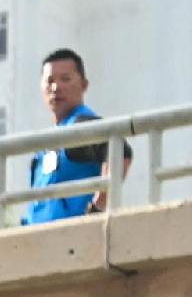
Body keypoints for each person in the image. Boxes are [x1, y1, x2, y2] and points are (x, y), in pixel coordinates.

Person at [21, 48, 130, 224]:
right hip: (37, 238)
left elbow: (120, 152)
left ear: (84, 84)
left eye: (65, 79)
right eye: (50, 81)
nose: (56, 87)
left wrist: (98, 208)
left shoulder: (81, 126)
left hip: (72, 236)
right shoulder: (46, 145)